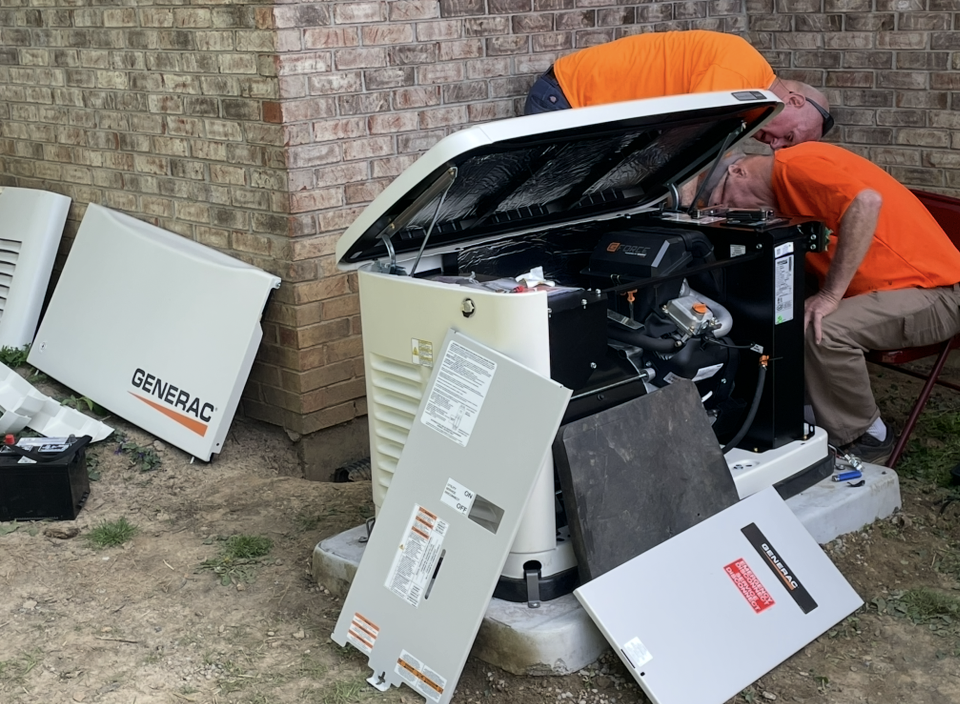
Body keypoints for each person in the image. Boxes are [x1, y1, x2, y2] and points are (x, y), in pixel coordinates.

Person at [708, 142, 960, 463]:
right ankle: (803, 414)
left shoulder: (793, 168)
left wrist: (829, 295)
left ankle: (866, 437)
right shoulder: (787, 174)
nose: (727, 214)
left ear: (738, 171)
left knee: (823, 328)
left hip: (936, 289)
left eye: (721, 203)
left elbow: (866, 203)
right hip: (893, 287)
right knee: (780, 315)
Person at [524, 30, 833, 149]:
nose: (775, 145)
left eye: (784, 146)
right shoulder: (740, 73)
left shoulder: (746, 97)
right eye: (787, 137)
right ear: (793, 100)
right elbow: (683, 138)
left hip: (593, 113)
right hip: (568, 98)